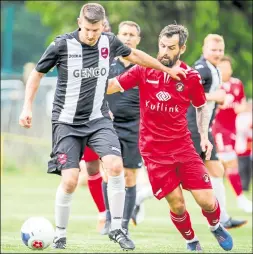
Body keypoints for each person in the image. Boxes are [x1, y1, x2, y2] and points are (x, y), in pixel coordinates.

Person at [18, 3, 186, 251]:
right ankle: (60, 236)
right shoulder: (62, 44)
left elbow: (136, 55)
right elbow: (37, 74)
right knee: (71, 180)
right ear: (79, 23)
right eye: (87, 29)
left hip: (98, 119)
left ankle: (117, 228)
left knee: (116, 166)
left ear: (102, 27)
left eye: (96, 30)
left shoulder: (109, 42)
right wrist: (27, 107)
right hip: (66, 122)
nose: (91, 34)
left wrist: (165, 69)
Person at [107, 24, 233, 252]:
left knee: (206, 200)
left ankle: (215, 226)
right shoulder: (142, 70)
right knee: (177, 204)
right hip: (154, 152)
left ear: (182, 48)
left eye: (171, 47)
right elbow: (114, 86)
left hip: (183, 147)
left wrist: (204, 136)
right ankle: (191, 240)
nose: (164, 51)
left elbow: (201, 106)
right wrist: (89, 86)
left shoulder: (191, 77)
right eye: (162, 46)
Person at [187, 34, 247, 229]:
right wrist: (217, 96)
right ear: (204, 50)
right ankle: (139, 199)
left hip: (204, 130)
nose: (217, 53)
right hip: (193, 129)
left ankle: (223, 218)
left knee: (217, 169)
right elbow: (187, 93)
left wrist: (217, 99)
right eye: (213, 50)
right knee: (182, 177)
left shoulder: (215, 69)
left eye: (220, 50)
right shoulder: (202, 69)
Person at [211, 55, 252, 213]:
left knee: (222, 165)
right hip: (219, 129)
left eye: (227, 67)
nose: (224, 70)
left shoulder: (237, 84)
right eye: (221, 67)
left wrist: (240, 108)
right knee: (230, 163)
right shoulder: (215, 85)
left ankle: (217, 202)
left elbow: (241, 103)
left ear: (231, 69)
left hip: (233, 129)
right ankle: (240, 199)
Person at [235, 99, 252, 191]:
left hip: (249, 147)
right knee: (242, 167)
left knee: (249, 168)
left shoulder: (250, 116)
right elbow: (241, 130)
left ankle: (246, 186)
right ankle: (242, 185)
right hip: (242, 146)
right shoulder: (240, 116)